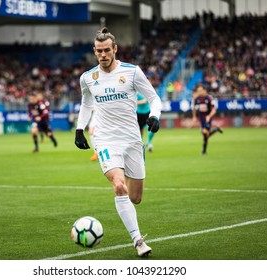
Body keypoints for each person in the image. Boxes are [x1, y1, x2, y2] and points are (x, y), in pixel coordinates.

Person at [74, 27, 162, 257]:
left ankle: (132, 221)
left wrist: (155, 116)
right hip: (105, 140)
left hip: (132, 140)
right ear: (95, 51)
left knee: (135, 198)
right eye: (99, 51)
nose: (103, 54)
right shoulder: (87, 78)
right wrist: (79, 129)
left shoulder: (132, 72)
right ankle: (138, 240)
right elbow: (86, 104)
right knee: (119, 186)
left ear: (115, 49)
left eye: (106, 50)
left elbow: (154, 98)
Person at [192, 84, 223, 155]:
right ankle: (215, 130)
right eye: (198, 91)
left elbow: (214, 110)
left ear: (204, 90)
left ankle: (204, 151)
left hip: (207, 119)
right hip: (201, 118)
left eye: (200, 90)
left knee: (205, 132)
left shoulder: (209, 99)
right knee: (205, 135)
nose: (199, 92)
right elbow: (194, 108)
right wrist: (194, 116)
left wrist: (209, 116)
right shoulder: (197, 99)